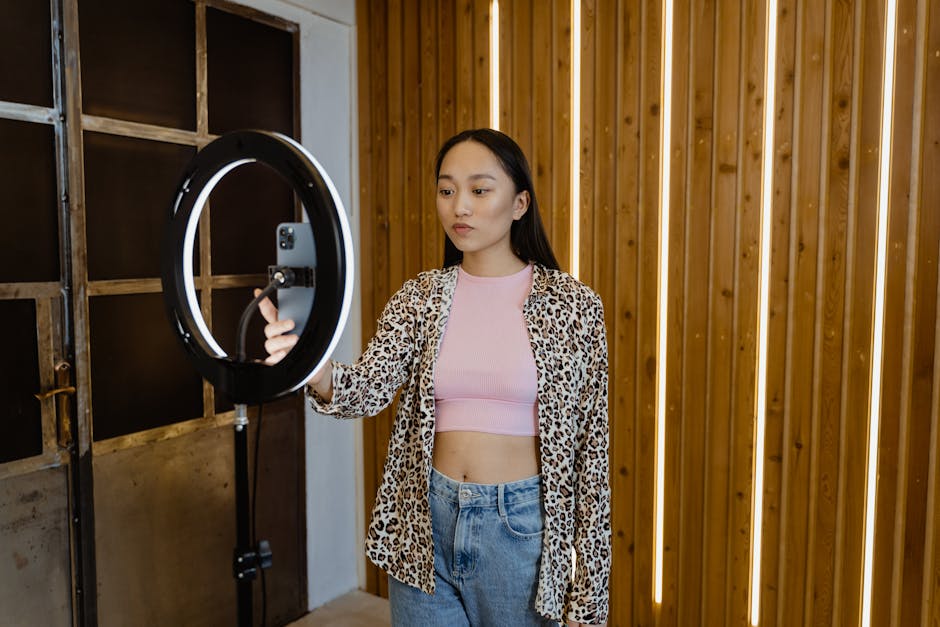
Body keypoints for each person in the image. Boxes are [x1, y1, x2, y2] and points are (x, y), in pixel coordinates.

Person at [259, 128, 609, 626]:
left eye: (479, 190)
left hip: (523, 533)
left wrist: (589, 597)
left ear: (519, 203)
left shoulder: (573, 306)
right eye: (447, 190)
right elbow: (369, 386)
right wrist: (313, 367)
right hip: (424, 521)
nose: (459, 206)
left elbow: (592, 455)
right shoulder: (421, 296)